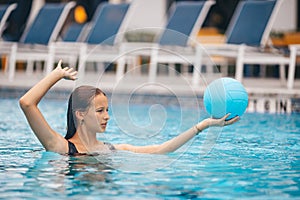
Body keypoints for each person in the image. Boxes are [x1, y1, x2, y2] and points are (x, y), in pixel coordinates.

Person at [19, 60, 239, 155]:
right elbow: (27, 103)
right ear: (80, 114)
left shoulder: (111, 149)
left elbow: (160, 150)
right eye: (100, 111)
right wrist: (56, 75)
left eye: (107, 110)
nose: (107, 117)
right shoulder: (60, 147)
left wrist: (203, 125)